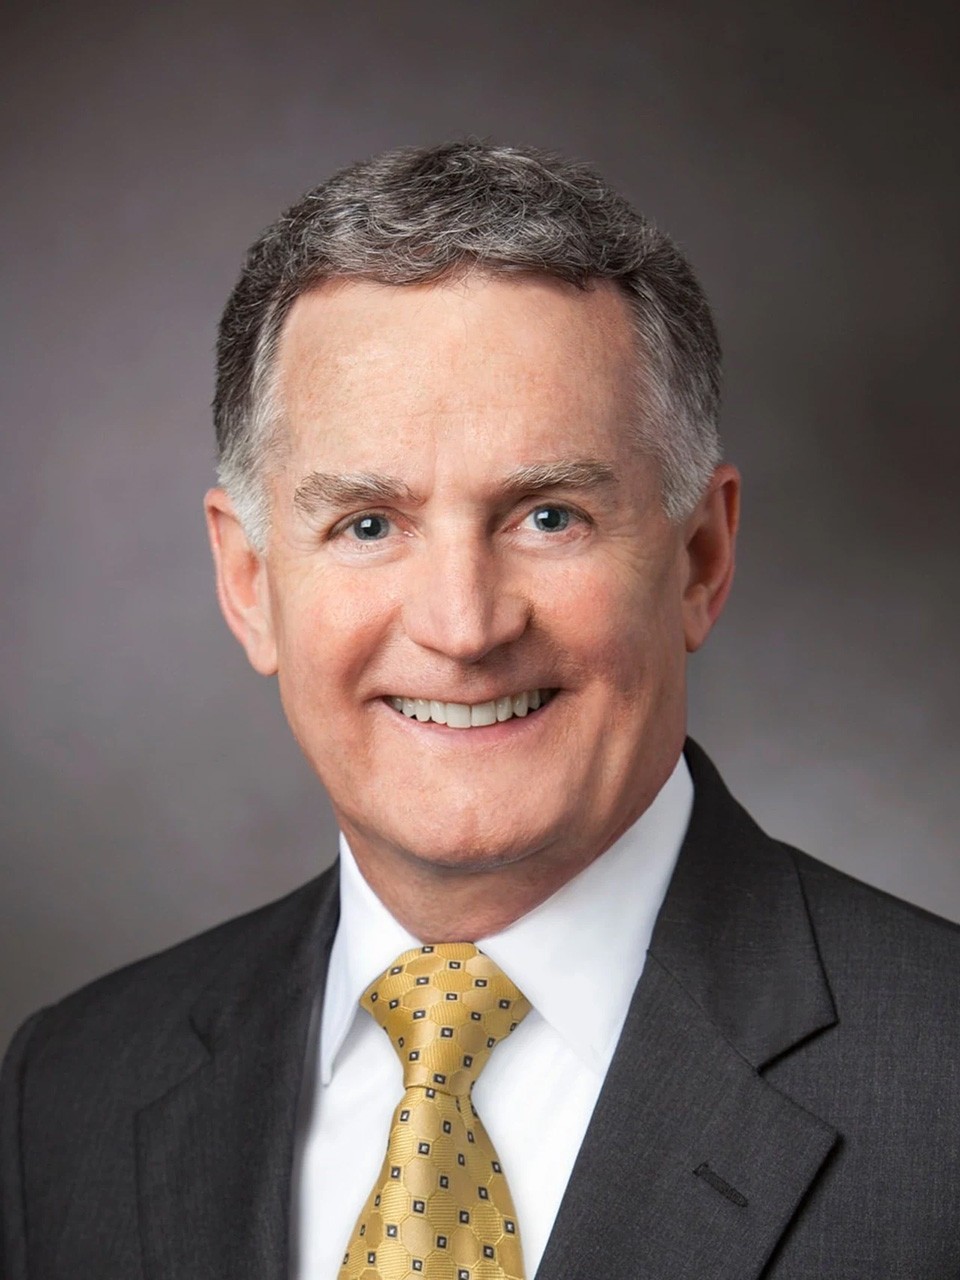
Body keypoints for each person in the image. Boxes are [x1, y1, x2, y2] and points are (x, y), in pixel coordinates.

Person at [2, 141, 958, 1280]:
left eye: (548, 515)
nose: (463, 626)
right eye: (367, 524)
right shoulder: (69, 1093)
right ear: (250, 582)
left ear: (700, 556)